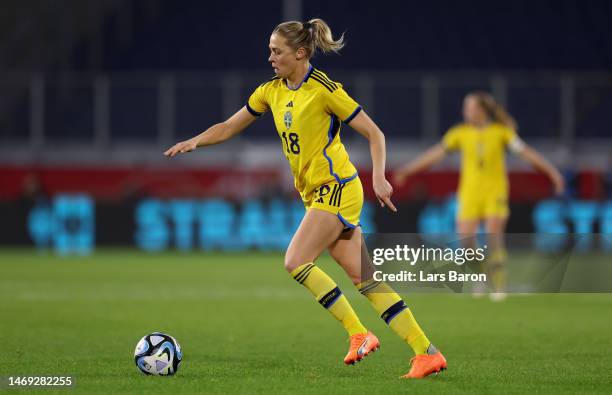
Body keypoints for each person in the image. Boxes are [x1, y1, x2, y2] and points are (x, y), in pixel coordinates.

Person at [164, 18, 446, 378]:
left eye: (276, 51)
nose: (270, 57)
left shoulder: (324, 89)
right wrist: (197, 141)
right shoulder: (270, 91)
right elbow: (230, 126)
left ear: (299, 53)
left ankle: (359, 333)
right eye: (269, 50)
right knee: (366, 280)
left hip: (338, 188)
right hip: (317, 194)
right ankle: (427, 352)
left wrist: (379, 177)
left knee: (296, 260)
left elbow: (375, 134)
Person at [394, 91, 565, 300]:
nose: (465, 111)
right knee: (466, 243)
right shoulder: (460, 133)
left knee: (494, 239)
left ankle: (499, 285)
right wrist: (408, 170)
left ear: (481, 110)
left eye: (469, 107)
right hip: (469, 194)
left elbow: (528, 154)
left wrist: (552, 172)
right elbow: (434, 154)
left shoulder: (501, 132)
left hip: (495, 192)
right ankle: (482, 275)